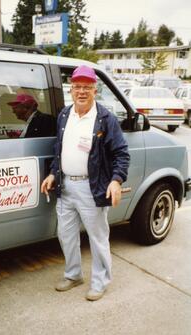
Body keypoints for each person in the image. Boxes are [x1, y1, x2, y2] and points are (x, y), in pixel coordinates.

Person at [41, 65, 130, 301]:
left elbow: (121, 153)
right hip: (65, 185)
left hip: (92, 187)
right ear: (71, 89)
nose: (82, 91)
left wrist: (116, 180)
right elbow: (59, 150)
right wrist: (52, 173)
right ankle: (73, 275)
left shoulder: (105, 118)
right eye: (77, 87)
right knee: (66, 234)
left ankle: (100, 282)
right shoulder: (64, 115)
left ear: (95, 90)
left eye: (87, 87)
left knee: (97, 237)